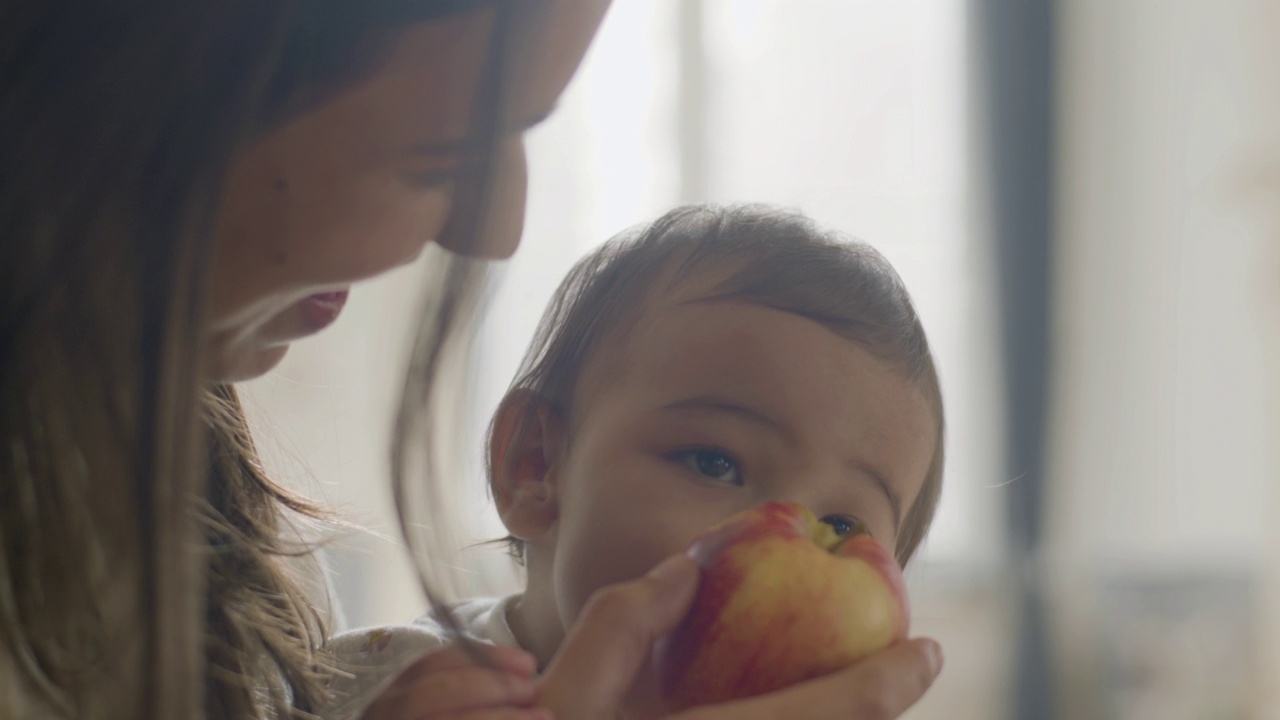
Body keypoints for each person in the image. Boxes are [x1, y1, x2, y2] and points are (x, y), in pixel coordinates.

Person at [1, 1, 942, 717]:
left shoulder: (186, 527)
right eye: (438, 156)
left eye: (846, 524)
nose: (498, 228)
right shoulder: (406, 680)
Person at [324, 204, 947, 720]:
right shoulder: (406, 686)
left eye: (841, 527)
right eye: (715, 462)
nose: (782, 536)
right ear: (536, 467)